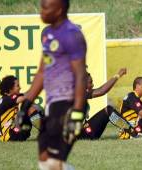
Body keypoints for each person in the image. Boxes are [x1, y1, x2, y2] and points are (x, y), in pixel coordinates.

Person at [15, 0, 87, 169]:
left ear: (59, 9)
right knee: (45, 161)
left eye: (46, 8)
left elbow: (81, 75)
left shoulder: (72, 34)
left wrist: (76, 112)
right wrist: (26, 104)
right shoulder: (47, 33)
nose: (41, 11)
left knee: (53, 163)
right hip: (52, 105)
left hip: (68, 105)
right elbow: (42, 72)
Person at [78, 68, 142, 140]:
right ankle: (132, 132)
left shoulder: (82, 93)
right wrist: (118, 75)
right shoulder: (77, 93)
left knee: (107, 111)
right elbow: (101, 91)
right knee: (108, 110)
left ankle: (131, 131)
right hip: (82, 134)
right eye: (90, 83)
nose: (92, 85)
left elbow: (101, 90)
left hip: (88, 131)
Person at [0, 75, 43, 142]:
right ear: (10, 89)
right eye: (17, 86)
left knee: (29, 107)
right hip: (11, 135)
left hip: (9, 134)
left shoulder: (4, 100)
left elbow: (24, 95)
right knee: (30, 109)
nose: (20, 88)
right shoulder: (7, 100)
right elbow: (23, 98)